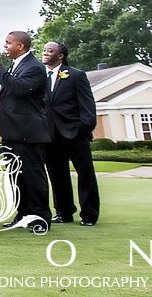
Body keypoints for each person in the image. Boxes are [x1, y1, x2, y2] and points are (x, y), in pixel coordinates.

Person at [0, 31, 51, 232]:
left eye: (8, 43)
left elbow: (21, 88)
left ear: (20, 46)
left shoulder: (35, 67)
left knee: (33, 177)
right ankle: (22, 215)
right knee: (16, 177)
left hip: (29, 133)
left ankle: (40, 218)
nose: (5, 46)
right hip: (13, 132)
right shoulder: (17, 65)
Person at [42, 41, 99, 226]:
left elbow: (88, 106)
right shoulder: (41, 77)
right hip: (50, 136)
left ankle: (89, 214)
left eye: (50, 50)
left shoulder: (76, 75)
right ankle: (63, 212)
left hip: (75, 134)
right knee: (57, 175)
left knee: (85, 174)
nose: (45, 53)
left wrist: (83, 128)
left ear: (60, 56)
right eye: (44, 50)